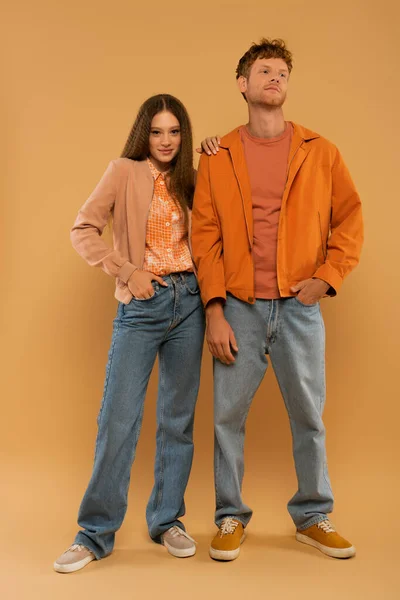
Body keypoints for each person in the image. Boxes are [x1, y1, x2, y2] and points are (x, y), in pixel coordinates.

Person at [192, 38, 363, 561]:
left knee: (309, 416)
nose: (275, 77)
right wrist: (215, 309)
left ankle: (313, 516)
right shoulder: (218, 157)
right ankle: (229, 517)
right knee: (226, 418)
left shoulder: (321, 151)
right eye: (264, 70)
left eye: (282, 71)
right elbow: (206, 238)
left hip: (299, 308)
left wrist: (326, 277)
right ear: (242, 84)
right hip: (239, 307)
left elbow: (349, 220)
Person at [54, 94, 205, 573]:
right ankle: (94, 533)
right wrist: (126, 271)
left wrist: (218, 150)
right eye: (158, 131)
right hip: (142, 304)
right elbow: (83, 229)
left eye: (175, 132)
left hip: (191, 304)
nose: (166, 141)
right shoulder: (122, 170)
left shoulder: (192, 178)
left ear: (184, 135)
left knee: (177, 420)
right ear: (145, 132)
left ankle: (167, 520)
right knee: (118, 419)